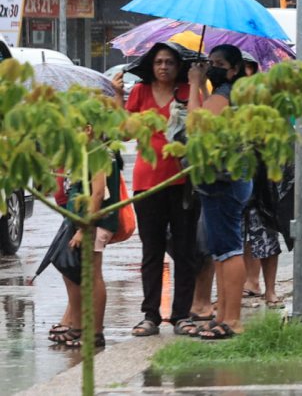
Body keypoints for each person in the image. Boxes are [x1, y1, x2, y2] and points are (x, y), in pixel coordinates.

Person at [116, 43, 201, 338]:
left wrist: (196, 84)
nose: (163, 67)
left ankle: (181, 315)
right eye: (158, 62)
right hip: (147, 182)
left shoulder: (187, 92)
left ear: (179, 67)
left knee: (185, 250)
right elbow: (125, 132)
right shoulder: (139, 92)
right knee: (151, 251)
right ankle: (150, 315)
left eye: (169, 62)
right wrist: (117, 97)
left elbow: (197, 125)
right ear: (151, 66)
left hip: (182, 181)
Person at [187, 44, 253, 340]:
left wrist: (192, 86)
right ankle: (224, 314)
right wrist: (202, 85)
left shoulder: (226, 93)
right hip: (229, 176)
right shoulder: (229, 94)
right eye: (209, 62)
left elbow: (196, 125)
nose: (211, 66)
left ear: (235, 68)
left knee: (229, 249)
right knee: (221, 250)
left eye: (218, 63)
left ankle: (233, 319)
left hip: (223, 178)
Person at [52, 141, 122, 348]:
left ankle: (95, 333)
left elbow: (98, 192)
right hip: (80, 220)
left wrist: (84, 228)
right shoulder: (84, 150)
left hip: (94, 222)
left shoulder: (96, 152)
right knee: (72, 271)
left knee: (92, 274)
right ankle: (79, 326)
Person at [240, 55, 283, 307]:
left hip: (262, 182)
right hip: (234, 180)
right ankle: (248, 282)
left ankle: (270, 290)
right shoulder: (226, 100)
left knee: (265, 235)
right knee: (239, 237)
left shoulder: (267, 104)